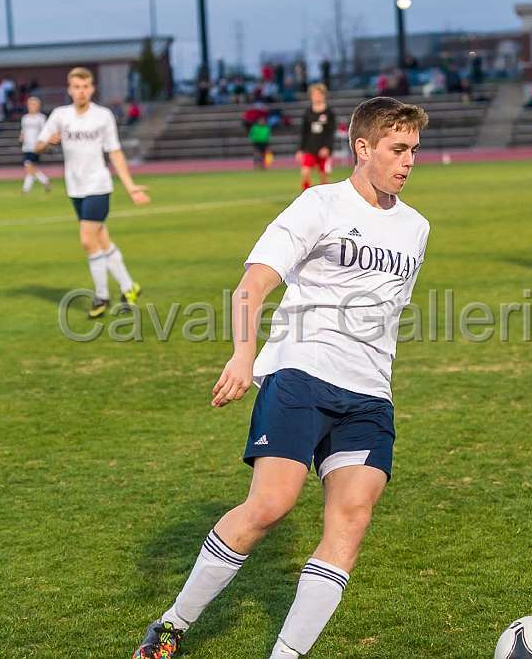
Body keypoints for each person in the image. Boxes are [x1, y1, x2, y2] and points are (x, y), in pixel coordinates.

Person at [131, 95, 430, 659]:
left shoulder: (416, 228)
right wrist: (244, 356)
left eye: (413, 150)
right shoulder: (317, 206)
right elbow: (252, 287)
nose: (407, 161)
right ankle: (170, 627)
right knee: (271, 505)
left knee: (353, 517)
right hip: (301, 374)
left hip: (369, 394)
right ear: (362, 147)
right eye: (396, 149)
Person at [34, 67, 148, 318]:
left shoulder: (103, 116)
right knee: (101, 240)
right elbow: (38, 146)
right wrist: (48, 142)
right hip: (75, 188)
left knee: (87, 240)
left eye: (85, 87)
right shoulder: (60, 115)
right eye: (76, 87)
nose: (81, 91)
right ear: (69, 89)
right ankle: (130, 287)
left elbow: (115, 152)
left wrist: (130, 186)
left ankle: (102, 296)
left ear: (92, 88)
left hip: (99, 186)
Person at [296, 83, 337, 190]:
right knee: (305, 172)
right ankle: (306, 195)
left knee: (323, 177)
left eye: (319, 94)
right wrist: (300, 149)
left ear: (323, 95)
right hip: (310, 147)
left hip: (323, 148)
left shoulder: (329, 113)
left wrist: (328, 147)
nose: (316, 97)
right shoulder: (307, 113)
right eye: (314, 95)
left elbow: (331, 133)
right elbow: (304, 132)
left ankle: (325, 199)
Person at [19, 96, 51, 194]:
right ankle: (43, 182)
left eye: (34, 104)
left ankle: (28, 188)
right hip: (26, 146)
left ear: (38, 106)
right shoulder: (25, 118)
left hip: (36, 146)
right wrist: (21, 136)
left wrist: (45, 144)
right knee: (30, 168)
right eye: (30, 104)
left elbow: (45, 132)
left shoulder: (41, 118)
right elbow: (23, 131)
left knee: (28, 166)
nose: (31, 106)